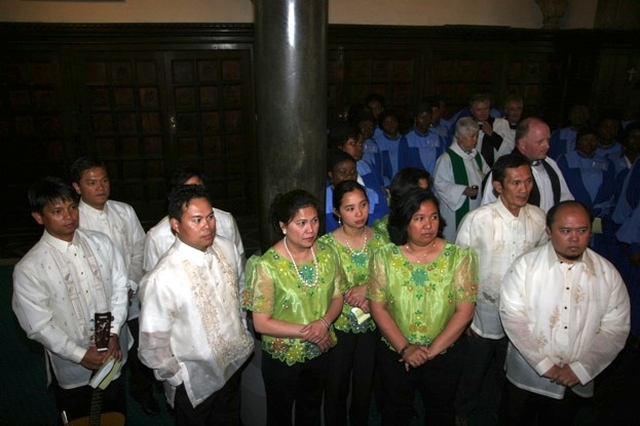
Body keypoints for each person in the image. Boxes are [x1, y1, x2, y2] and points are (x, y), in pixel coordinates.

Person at [499, 201, 630, 425]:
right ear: (549, 231)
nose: (574, 238)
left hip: (575, 378)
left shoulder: (607, 273)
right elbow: (512, 316)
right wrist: (543, 364)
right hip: (527, 375)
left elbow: (615, 327)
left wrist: (581, 368)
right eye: (565, 231)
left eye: (582, 231)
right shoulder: (525, 266)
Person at [12, 177, 131, 423]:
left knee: (115, 413)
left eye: (72, 207)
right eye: (57, 211)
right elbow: (39, 326)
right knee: (79, 416)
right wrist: (80, 355)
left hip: (110, 350)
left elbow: (119, 288)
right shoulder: (29, 268)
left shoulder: (101, 243)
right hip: (71, 365)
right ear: (38, 217)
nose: (69, 216)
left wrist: (112, 332)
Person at [138, 185, 253, 425]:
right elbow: (152, 346)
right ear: (176, 225)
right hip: (195, 381)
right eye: (197, 220)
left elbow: (238, 295)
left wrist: (241, 329)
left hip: (233, 363)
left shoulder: (226, 247)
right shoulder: (162, 278)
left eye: (210, 217)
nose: (207, 226)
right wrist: (178, 378)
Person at [368, 189, 478, 425]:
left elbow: (465, 310)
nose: (428, 225)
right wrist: (405, 349)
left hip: (444, 354)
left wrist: (430, 352)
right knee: (394, 412)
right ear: (404, 222)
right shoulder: (385, 257)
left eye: (434, 217)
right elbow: (378, 307)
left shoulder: (458, 257)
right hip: (396, 352)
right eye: (419, 218)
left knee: (441, 412)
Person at [454, 154, 547, 424]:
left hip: (522, 311)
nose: (524, 189)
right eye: (516, 182)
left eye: (528, 181)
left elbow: (542, 263)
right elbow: (460, 268)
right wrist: (464, 313)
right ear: (498, 186)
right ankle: (462, 412)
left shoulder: (538, 217)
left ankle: (503, 412)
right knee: (474, 367)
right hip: (484, 311)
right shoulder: (478, 219)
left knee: (510, 370)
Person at [242, 189, 344, 426]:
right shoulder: (267, 266)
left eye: (315, 220)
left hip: (321, 349)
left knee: (311, 409)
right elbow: (261, 323)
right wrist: (313, 331)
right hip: (283, 355)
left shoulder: (328, 253)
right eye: (301, 223)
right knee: (280, 414)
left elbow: (338, 296)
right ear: (283, 226)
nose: (310, 229)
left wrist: (324, 323)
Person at [70, 156, 159, 415]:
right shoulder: (73, 221)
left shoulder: (124, 211)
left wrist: (130, 282)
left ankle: (142, 391)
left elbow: (138, 250)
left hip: (131, 298)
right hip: (98, 308)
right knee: (105, 354)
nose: (101, 187)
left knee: (142, 347)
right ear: (77, 187)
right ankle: (105, 405)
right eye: (92, 182)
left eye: (104, 180)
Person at [319, 180, 387, 426]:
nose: (359, 213)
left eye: (363, 205)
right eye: (350, 208)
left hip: (373, 324)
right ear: (337, 212)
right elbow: (322, 289)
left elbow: (393, 278)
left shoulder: (380, 240)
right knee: (335, 386)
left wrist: (369, 291)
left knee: (364, 384)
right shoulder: (326, 245)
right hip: (338, 326)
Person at [143, 167, 244, 273]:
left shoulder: (226, 221)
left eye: (198, 189)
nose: (207, 226)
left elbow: (239, 264)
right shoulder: (156, 237)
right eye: (187, 192)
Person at [480, 117, 574, 212]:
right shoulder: (505, 169)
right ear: (522, 144)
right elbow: (489, 210)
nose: (547, 146)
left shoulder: (551, 164)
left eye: (548, 140)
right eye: (540, 142)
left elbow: (565, 199)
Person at [557, 127, 616, 257]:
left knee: (598, 251)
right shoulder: (565, 160)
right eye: (586, 140)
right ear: (578, 142)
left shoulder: (606, 162)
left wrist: (602, 209)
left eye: (593, 140)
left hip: (599, 216)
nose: (590, 143)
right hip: (574, 214)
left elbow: (611, 190)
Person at [434, 117, 490, 242]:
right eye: (472, 136)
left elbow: (488, 175)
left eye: (476, 136)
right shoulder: (447, 159)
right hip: (455, 211)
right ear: (459, 136)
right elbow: (439, 183)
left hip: (476, 207)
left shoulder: (477, 156)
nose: (475, 140)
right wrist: (463, 190)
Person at [329, 122, 389, 227]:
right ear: (339, 145)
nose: (359, 148)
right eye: (353, 143)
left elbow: (380, 195)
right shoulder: (331, 176)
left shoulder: (366, 166)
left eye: (361, 143)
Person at [398, 100, 445, 176]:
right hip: (416, 184)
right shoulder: (407, 140)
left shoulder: (438, 139)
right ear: (415, 118)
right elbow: (403, 167)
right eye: (422, 117)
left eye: (428, 117)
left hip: (436, 183)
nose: (425, 121)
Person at [465, 93, 513, 167]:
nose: (483, 113)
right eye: (479, 110)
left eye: (486, 108)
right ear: (472, 111)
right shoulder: (466, 126)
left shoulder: (501, 124)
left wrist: (493, 135)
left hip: (497, 168)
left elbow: (510, 149)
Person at [376, 109, 405, 184]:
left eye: (393, 121)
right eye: (386, 123)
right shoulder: (377, 143)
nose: (390, 125)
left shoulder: (405, 141)